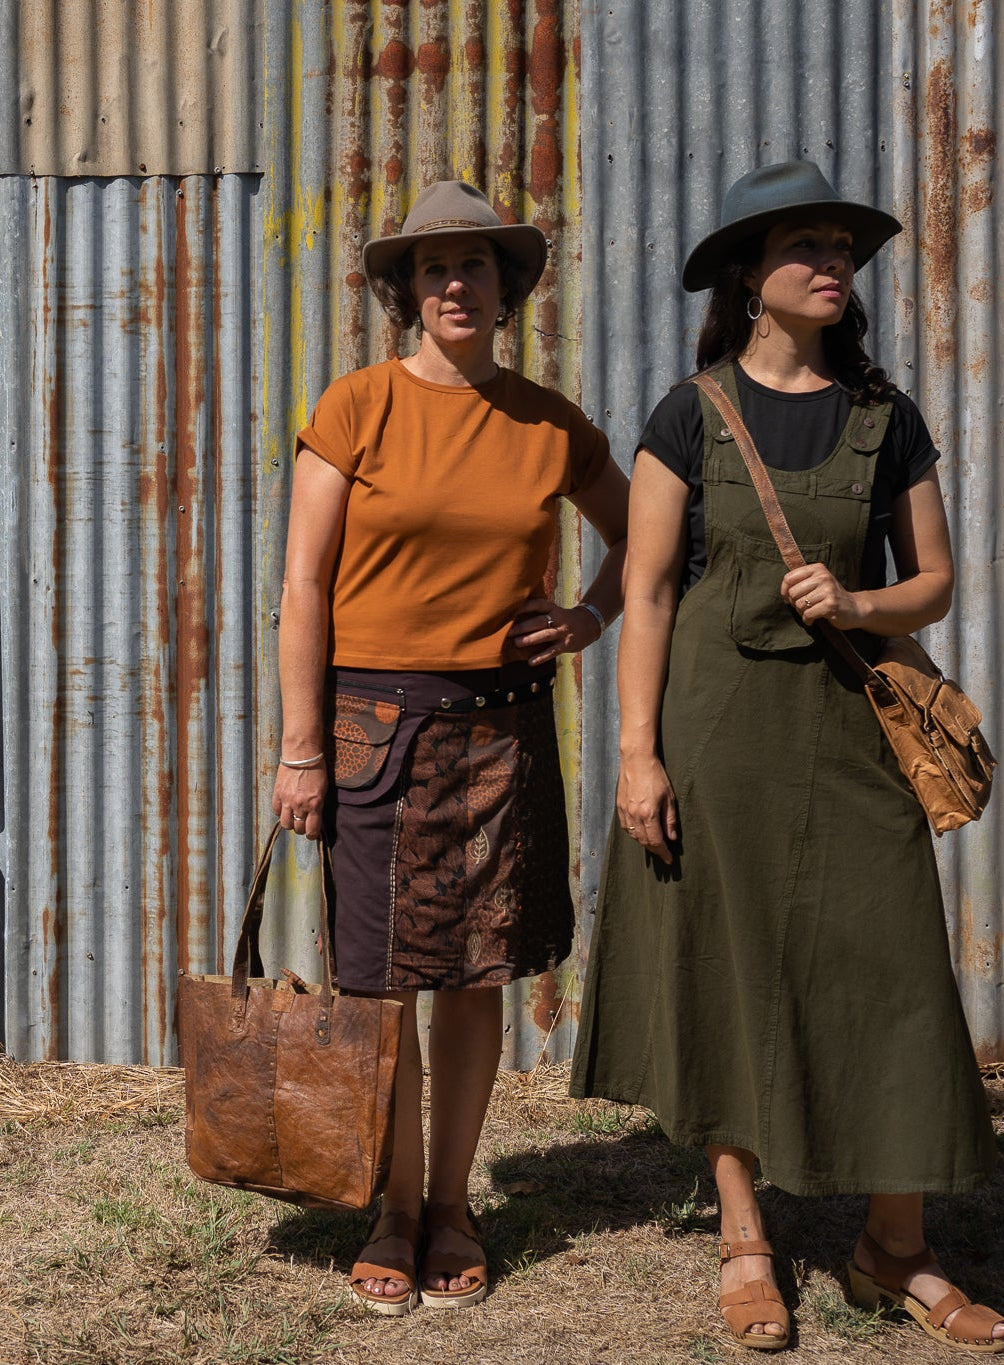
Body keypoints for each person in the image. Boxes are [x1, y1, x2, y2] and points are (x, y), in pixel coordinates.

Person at [570, 161, 1004, 1355]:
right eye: (804, 245)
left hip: (848, 730)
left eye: (843, 246)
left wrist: (864, 607)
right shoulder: (688, 412)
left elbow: (937, 580)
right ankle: (745, 1239)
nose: (833, 262)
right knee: (728, 962)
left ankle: (895, 1250)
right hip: (717, 733)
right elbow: (649, 592)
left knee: (896, 970)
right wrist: (636, 756)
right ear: (746, 279)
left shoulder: (886, 414)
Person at [273, 179, 628, 1315]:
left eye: (475, 265)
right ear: (406, 293)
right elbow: (303, 586)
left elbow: (644, 536)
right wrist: (299, 750)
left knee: (474, 984)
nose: (456, 284)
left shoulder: (547, 421)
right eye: (434, 269)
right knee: (380, 988)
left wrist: (588, 615)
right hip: (375, 729)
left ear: (506, 287)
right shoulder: (356, 406)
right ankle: (393, 1206)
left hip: (500, 727)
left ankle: (456, 1209)